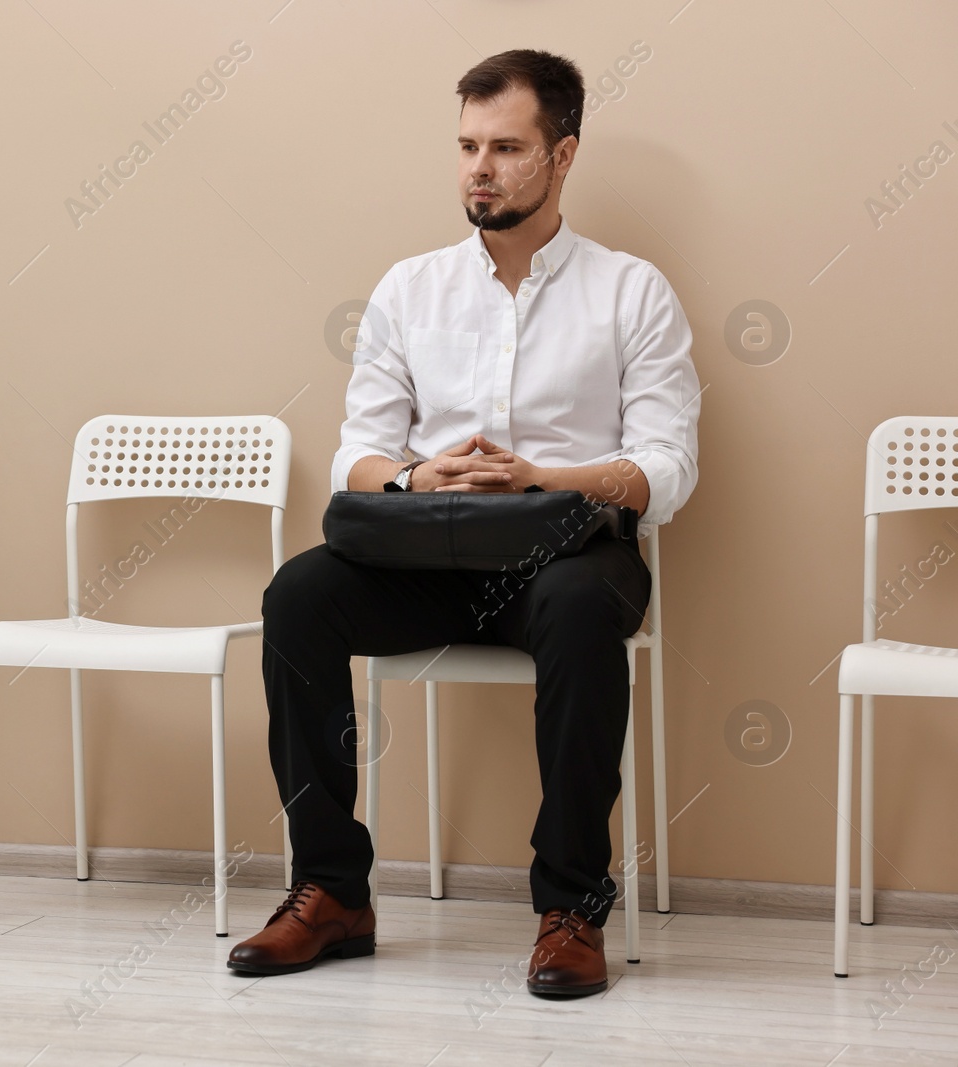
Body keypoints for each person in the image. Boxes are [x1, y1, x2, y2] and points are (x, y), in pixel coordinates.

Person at [226, 50, 700, 997]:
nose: (479, 167)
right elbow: (358, 451)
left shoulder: (632, 291)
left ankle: (570, 907)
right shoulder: (409, 287)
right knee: (301, 593)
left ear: (562, 157)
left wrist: (541, 478)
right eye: (467, 146)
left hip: (568, 558)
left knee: (574, 608)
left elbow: (667, 469)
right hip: (426, 554)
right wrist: (417, 472)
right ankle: (332, 890)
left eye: (507, 147)